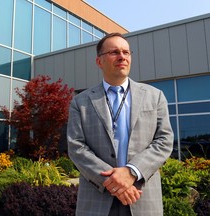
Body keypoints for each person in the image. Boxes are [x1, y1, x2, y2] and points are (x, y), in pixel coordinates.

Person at [67, 32, 174, 216]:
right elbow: (76, 147)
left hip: (141, 196)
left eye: (126, 52)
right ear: (99, 61)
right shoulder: (81, 101)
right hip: (97, 199)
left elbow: (164, 141)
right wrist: (116, 182)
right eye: (114, 52)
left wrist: (132, 172)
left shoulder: (155, 96)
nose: (122, 56)